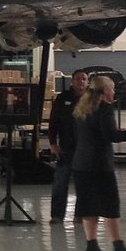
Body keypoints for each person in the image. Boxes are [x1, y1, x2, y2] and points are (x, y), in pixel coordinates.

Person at [72, 75, 126, 251]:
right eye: (112, 89)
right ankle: (118, 245)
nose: (114, 92)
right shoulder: (104, 109)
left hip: (81, 163)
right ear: (105, 91)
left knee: (88, 206)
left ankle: (91, 245)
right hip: (99, 165)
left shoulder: (82, 108)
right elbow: (110, 135)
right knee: (110, 205)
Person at [47, 69, 89, 223]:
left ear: (88, 82)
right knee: (60, 183)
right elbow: (54, 122)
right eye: (78, 79)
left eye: (84, 79)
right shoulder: (63, 98)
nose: (81, 81)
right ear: (72, 81)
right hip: (66, 149)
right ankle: (57, 216)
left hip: (85, 150)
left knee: (83, 184)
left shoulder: (92, 99)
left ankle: (80, 215)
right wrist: (53, 143)